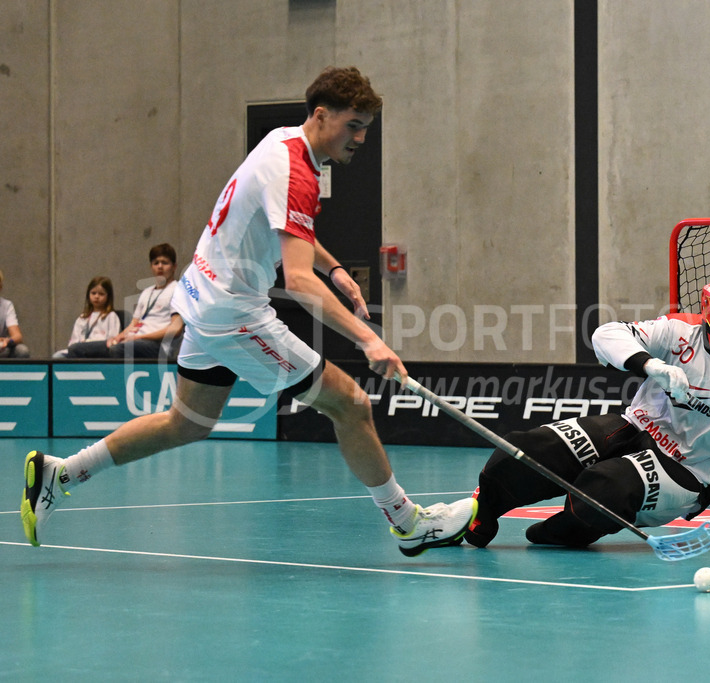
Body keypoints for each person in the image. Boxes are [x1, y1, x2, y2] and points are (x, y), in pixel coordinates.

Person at [21, 66, 476, 556]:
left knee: (187, 422)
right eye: (354, 125)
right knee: (351, 404)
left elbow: (287, 231)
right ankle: (408, 522)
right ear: (322, 115)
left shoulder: (281, 140)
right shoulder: (297, 174)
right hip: (233, 314)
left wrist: (335, 268)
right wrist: (370, 340)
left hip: (201, 297)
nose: (361, 138)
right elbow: (297, 281)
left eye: (366, 127)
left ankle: (61, 473)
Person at [464, 263, 710, 551]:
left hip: (687, 471)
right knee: (527, 449)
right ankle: (478, 515)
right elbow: (605, 335)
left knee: (604, 489)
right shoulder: (678, 330)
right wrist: (650, 365)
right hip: (634, 428)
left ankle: (557, 532)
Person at [67, 244, 182, 360]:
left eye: (165, 263)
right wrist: (117, 338)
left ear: (174, 267)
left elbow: (175, 329)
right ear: (151, 266)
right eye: (156, 263)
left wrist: (139, 337)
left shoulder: (178, 290)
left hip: (158, 346)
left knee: (118, 349)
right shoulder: (147, 292)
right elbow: (133, 324)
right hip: (134, 341)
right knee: (76, 349)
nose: (160, 266)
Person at [53, 276, 122, 358]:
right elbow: (74, 341)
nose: (96, 297)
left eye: (101, 294)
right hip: (79, 350)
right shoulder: (82, 317)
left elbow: (112, 341)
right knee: (57, 356)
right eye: (93, 293)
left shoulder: (111, 316)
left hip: (99, 351)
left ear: (108, 297)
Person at [0, 269, 31, 358]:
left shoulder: (7, 305)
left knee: (22, 350)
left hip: (2, 348)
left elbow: (17, 336)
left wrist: (8, 341)